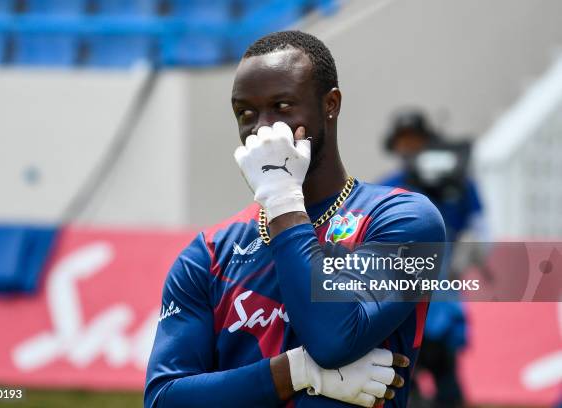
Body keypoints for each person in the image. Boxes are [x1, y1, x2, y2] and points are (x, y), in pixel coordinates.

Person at [145, 31, 445, 408]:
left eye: (282, 106)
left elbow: (335, 340)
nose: (263, 129)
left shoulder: (402, 220)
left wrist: (283, 199)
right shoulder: (206, 255)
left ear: (330, 104)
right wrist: (297, 372)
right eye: (246, 114)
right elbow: (164, 398)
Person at [380, 110, 486, 408]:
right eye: (404, 141)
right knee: (404, 393)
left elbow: (480, 231)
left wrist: (462, 256)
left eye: (415, 140)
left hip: (442, 306)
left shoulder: (459, 186)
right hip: (401, 312)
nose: (410, 147)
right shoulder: (386, 188)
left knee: (449, 391)